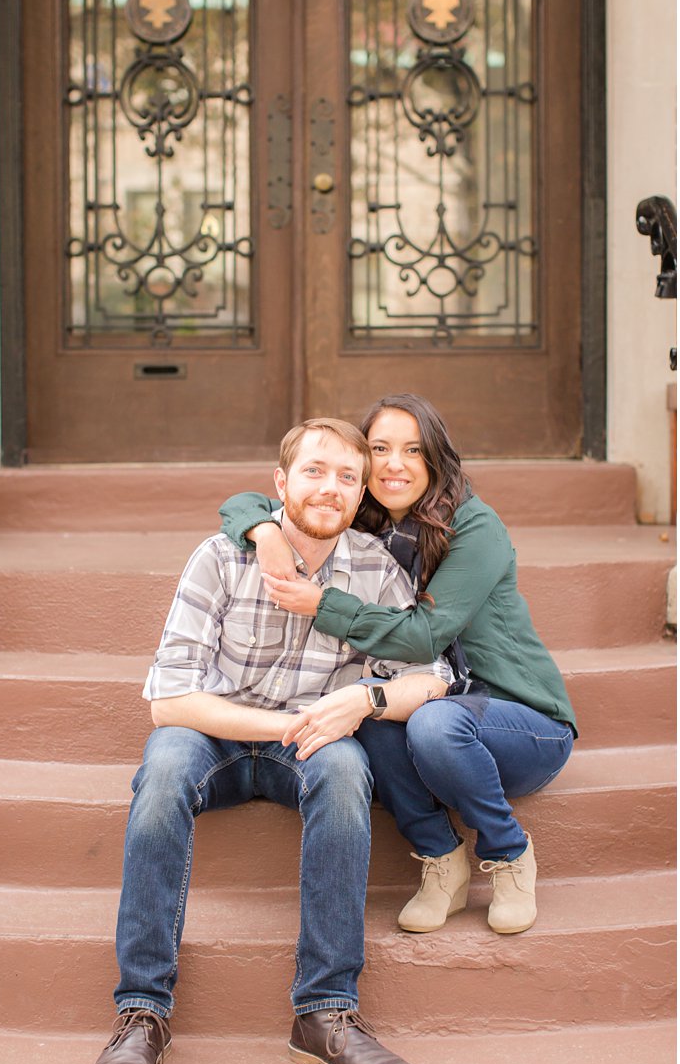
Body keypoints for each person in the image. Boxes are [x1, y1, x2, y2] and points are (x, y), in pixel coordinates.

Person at [92, 419, 450, 1064]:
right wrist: (289, 722)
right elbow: (169, 701)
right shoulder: (220, 556)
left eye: (349, 476)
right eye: (315, 471)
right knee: (164, 769)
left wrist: (367, 700)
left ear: (361, 491)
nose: (331, 487)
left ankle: (324, 1011)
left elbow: (431, 677)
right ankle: (142, 1009)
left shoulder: (375, 568)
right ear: (280, 484)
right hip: (216, 735)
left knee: (347, 770)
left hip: (313, 743)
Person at [219, 393, 576, 936]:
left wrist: (322, 605)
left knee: (430, 718)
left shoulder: (474, 528)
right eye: (379, 448)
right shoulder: (367, 518)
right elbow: (244, 501)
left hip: (519, 721)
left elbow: (424, 637)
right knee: (375, 721)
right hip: (434, 710)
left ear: (435, 459)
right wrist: (264, 532)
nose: (393, 463)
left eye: (412, 450)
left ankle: (508, 855)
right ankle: (442, 860)